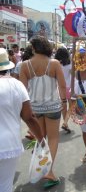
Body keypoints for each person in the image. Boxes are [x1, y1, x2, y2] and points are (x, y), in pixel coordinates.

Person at [19, 36, 67, 188]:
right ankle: (49, 172)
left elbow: (23, 90)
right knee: (53, 138)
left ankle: (40, 169)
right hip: (53, 106)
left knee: (41, 139)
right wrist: (65, 103)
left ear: (33, 48)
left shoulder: (25, 65)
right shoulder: (54, 63)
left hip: (35, 108)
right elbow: (62, 86)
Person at [0, 48, 43, 192]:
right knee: (5, 185)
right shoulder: (17, 85)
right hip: (8, 145)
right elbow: (29, 117)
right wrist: (41, 139)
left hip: (8, 146)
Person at [54, 47, 72, 133]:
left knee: (63, 107)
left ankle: (65, 123)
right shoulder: (69, 64)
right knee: (71, 106)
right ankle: (65, 123)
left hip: (59, 88)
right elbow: (73, 76)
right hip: (69, 87)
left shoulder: (55, 64)